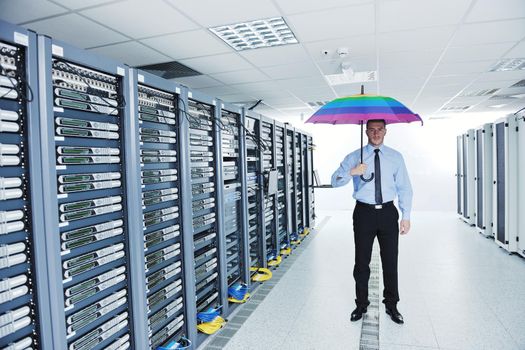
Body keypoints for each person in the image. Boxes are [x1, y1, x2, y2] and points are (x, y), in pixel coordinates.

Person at [331, 119, 412, 324]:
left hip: (387, 213)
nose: (376, 133)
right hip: (363, 214)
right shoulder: (354, 157)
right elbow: (334, 181)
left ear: (386, 131)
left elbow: (404, 187)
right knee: (361, 263)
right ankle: (361, 304)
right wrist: (351, 172)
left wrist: (406, 216)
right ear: (365, 132)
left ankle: (392, 306)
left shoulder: (395, 157)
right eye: (372, 130)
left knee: (390, 261)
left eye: (379, 130)